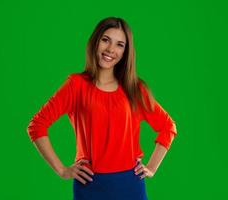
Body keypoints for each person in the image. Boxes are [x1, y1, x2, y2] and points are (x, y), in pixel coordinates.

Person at [26, 16, 177, 200]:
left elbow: (167, 127)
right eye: (106, 40)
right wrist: (62, 170)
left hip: (130, 185)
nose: (111, 50)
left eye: (120, 44)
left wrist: (152, 167)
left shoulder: (135, 89)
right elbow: (37, 125)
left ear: (125, 52)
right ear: (95, 42)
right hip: (90, 185)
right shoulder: (76, 85)